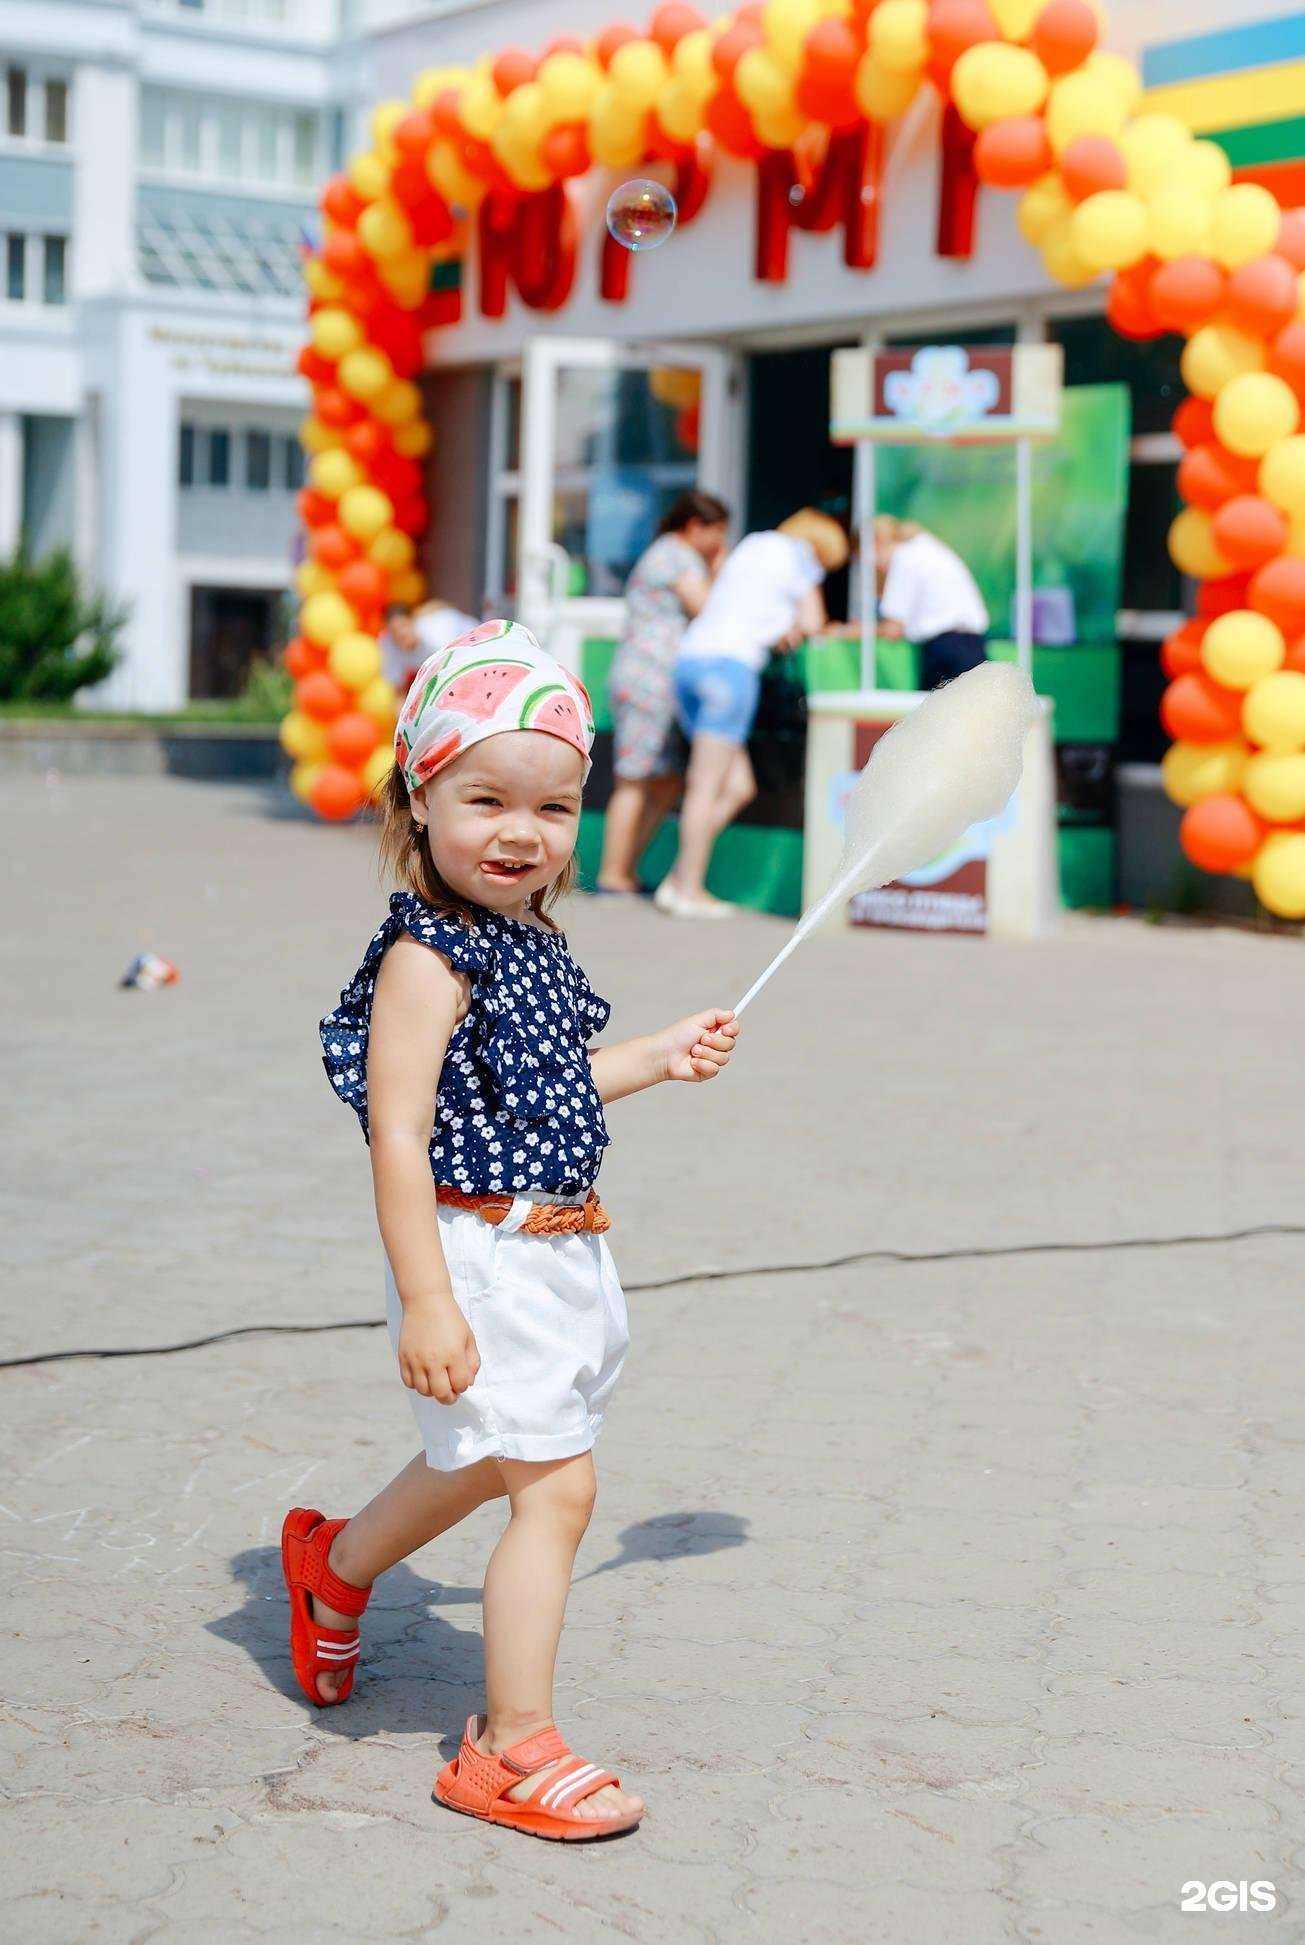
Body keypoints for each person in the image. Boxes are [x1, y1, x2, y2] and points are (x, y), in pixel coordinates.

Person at [286, 620, 740, 1842]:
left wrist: (656, 1055)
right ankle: (508, 1744)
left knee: (484, 1460)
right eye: (486, 798)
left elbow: (557, 1081)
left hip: (561, 1249)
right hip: (476, 1252)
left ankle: (333, 1566)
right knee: (558, 1488)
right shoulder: (425, 959)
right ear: (420, 793)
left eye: (554, 805)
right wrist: (428, 1298)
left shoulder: (529, 940)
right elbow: (397, 1137)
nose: (521, 832)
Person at [656, 508, 849, 919]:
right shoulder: (802, 560)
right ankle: (688, 889)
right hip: (731, 669)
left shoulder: (752, 544)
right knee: (706, 785)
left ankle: (677, 879)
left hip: (689, 663)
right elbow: (813, 623)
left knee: (737, 784)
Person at [597, 489, 730, 896]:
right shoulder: (676, 555)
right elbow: (706, 607)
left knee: (667, 781)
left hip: (650, 680)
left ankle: (625, 868)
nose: (720, 543)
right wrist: (720, 569)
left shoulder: (667, 552)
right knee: (634, 781)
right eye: (718, 534)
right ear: (695, 527)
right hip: (648, 680)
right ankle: (612, 874)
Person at [873, 516, 989, 691]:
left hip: (945, 651)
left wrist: (847, 631)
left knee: (936, 716)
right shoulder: (930, 549)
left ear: (876, 543)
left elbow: (892, 628)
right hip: (974, 647)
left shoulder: (905, 556)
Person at [380, 598, 478, 697]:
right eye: (394, 631)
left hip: (474, 644)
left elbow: (456, 669)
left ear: (413, 621)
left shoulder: (436, 635)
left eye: (404, 625)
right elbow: (397, 689)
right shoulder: (387, 642)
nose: (401, 633)